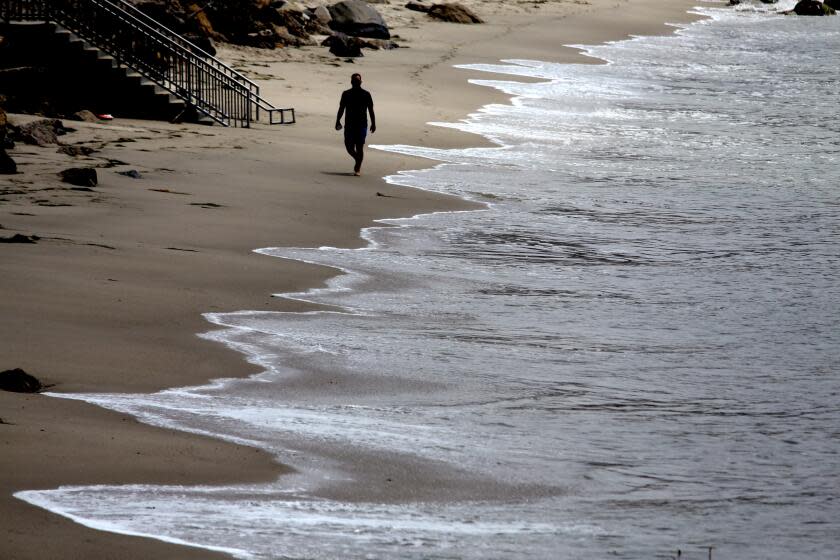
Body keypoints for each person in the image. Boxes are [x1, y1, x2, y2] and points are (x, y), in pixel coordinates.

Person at [335, 73, 376, 176]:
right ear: (351, 82)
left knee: (359, 147)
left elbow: (371, 110)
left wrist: (373, 123)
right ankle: (358, 159)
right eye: (354, 81)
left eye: (357, 81)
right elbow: (341, 109)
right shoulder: (346, 94)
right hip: (349, 124)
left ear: (360, 82)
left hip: (362, 124)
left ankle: (357, 168)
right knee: (349, 147)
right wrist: (337, 120)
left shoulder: (366, 94)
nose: (356, 82)